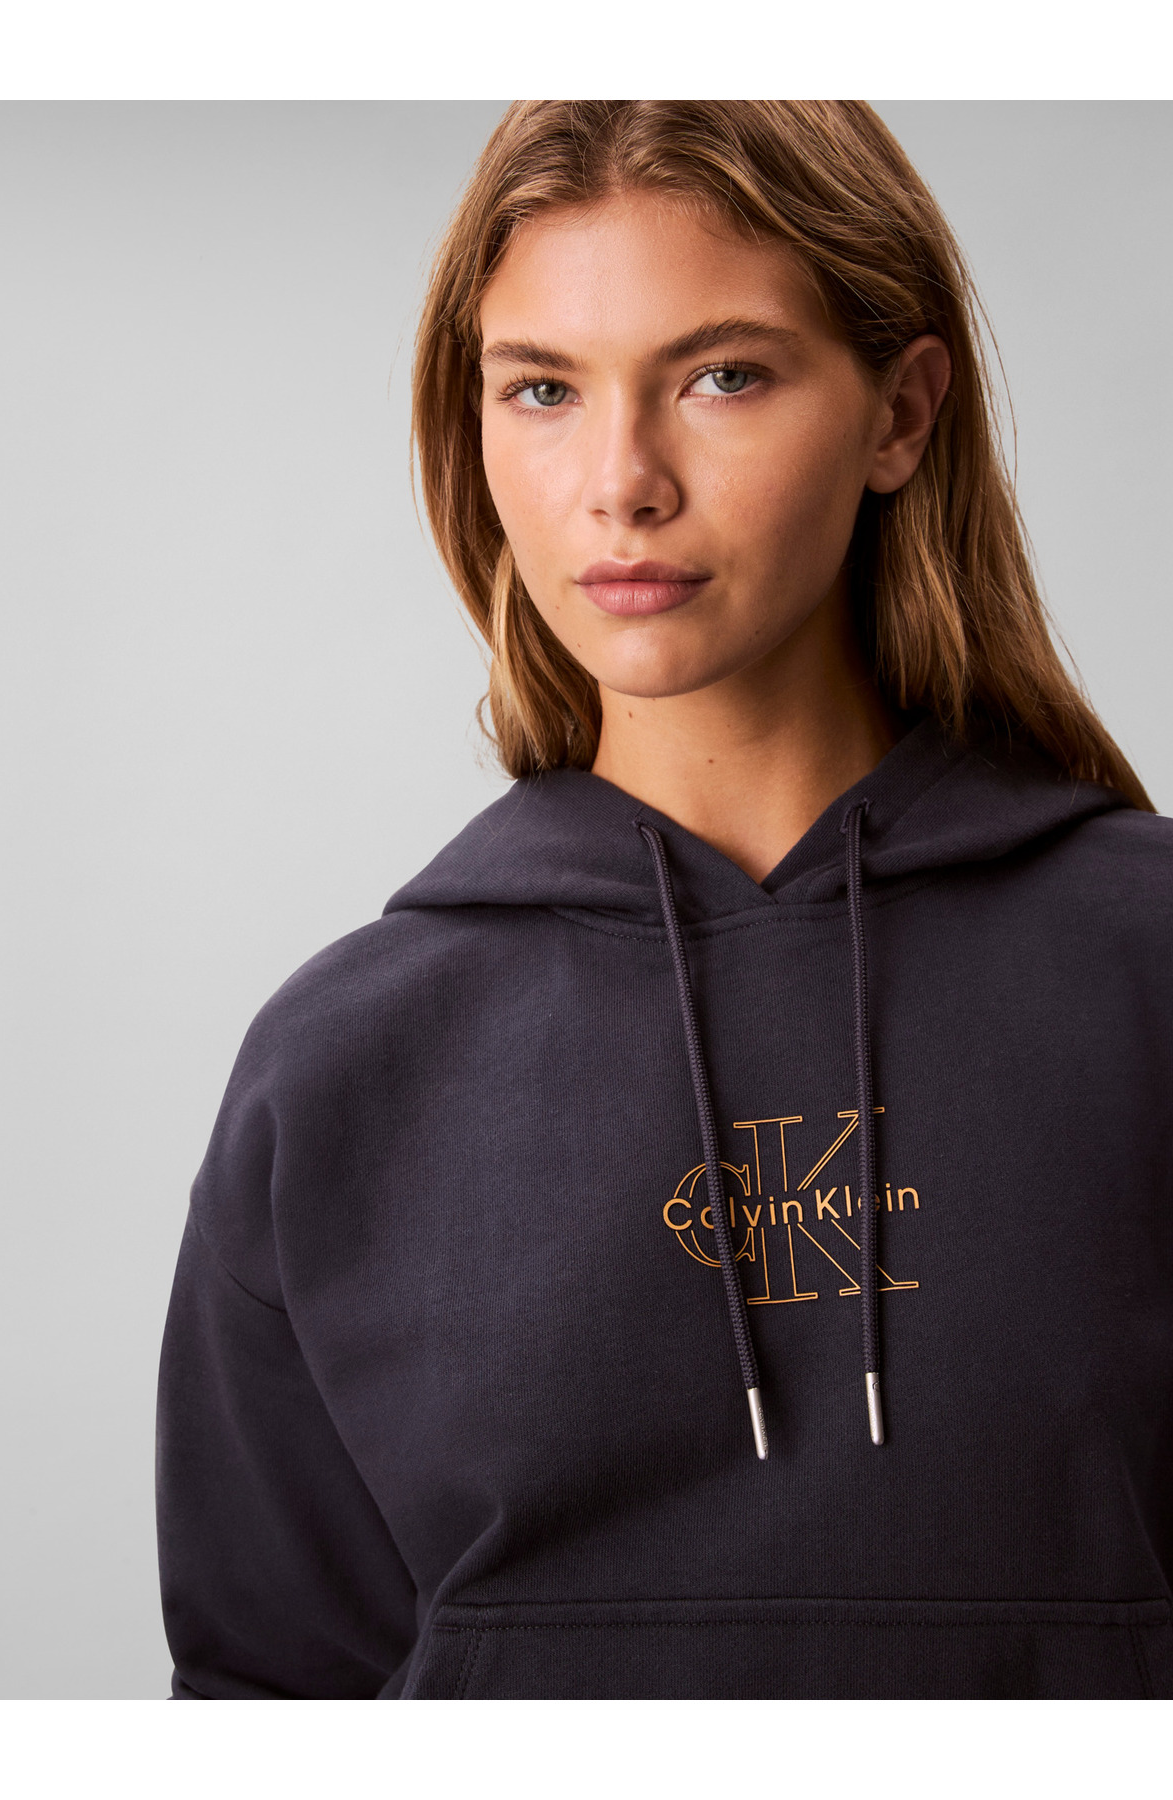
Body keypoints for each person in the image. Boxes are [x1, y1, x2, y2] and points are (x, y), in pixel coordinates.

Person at [156, 100, 1173, 1700]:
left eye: (723, 376)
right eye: (544, 389)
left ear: (902, 413)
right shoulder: (339, 1063)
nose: (621, 484)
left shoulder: (1146, 967)